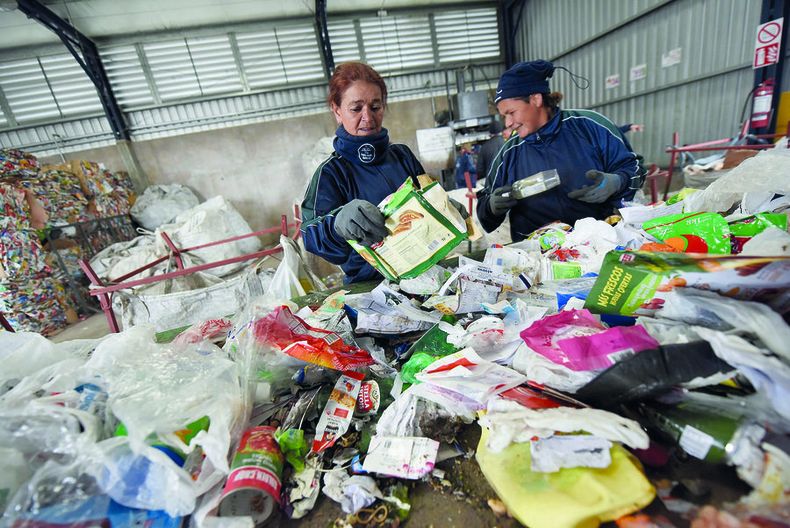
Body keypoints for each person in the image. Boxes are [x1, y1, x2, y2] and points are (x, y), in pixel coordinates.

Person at [301, 62, 467, 283]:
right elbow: (310, 234)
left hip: (425, 277)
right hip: (371, 289)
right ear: (337, 110)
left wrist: (445, 210)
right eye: (356, 108)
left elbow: (427, 200)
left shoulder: (402, 156)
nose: (368, 118)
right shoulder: (331, 173)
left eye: (375, 107)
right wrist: (336, 224)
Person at [477, 60, 644, 242]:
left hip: (598, 245)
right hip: (538, 257)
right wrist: (491, 206)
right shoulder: (508, 154)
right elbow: (484, 211)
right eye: (504, 116)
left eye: (511, 112)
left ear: (535, 99)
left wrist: (618, 181)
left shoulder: (591, 127)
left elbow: (634, 168)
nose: (507, 123)